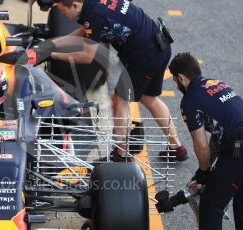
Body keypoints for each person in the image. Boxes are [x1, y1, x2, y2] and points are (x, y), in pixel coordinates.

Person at [43, 0, 187, 161]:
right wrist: (51, 45)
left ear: (75, 5)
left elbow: (87, 56)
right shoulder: (92, 6)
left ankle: (121, 156)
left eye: (63, 11)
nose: (62, 14)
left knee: (120, 102)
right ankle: (177, 148)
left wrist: (52, 55)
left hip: (145, 55)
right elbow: (84, 33)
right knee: (149, 98)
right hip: (160, 43)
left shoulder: (93, 17)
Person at [169, 52, 243, 230]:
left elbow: (201, 144)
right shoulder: (217, 83)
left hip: (238, 147)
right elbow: (218, 134)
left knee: (211, 205)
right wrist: (204, 172)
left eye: (174, 80)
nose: (175, 84)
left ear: (181, 78)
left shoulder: (190, 100)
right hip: (236, 139)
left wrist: (204, 171)